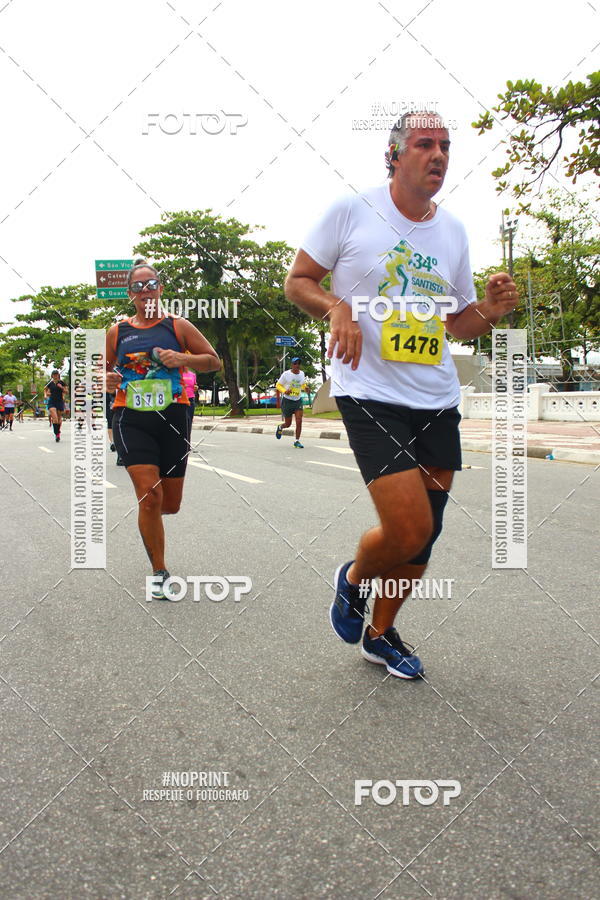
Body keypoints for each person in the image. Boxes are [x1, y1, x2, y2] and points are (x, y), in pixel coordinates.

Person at [285, 110, 519, 679]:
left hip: (435, 396)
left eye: (445, 146)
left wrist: (487, 311)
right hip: (369, 391)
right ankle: (353, 580)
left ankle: (381, 634)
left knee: (424, 536)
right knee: (409, 526)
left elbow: (456, 322)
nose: (437, 155)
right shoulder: (352, 212)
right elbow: (298, 282)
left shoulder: (454, 231)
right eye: (424, 145)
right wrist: (337, 307)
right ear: (393, 155)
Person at [106, 261, 220, 599]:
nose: (145, 292)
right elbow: (99, 373)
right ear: (130, 295)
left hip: (173, 416)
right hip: (130, 416)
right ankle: (159, 570)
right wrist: (106, 379)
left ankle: (151, 518)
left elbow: (213, 361)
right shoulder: (118, 332)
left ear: (160, 289)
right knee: (150, 495)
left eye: (151, 284)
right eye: (138, 287)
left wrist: (183, 359)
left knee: (170, 504)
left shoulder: (178, 326)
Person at [275, 357, 308, 448]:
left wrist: (305, 388)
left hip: (297, 400)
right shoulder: (286, 374)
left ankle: (296, 441)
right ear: (292, 365)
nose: (297, 365)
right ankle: (280, 427)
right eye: (295, 363)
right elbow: (278, 385)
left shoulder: (302, 374)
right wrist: (285, 391)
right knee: (288, 424)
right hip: (287, 401)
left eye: (298, 363)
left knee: (299, 420)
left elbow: (302, 384)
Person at [44, 370, 67, 442]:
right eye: (54, 374)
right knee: (55, 418)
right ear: (52, 376)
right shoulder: (50, 383)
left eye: (56, 374)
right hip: (52, 401)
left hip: (59, 401)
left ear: (58, 375)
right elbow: (45, 389)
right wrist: (45, 395)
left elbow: (67, 392)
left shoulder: (62, 383)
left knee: (59, 418)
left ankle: (58, 434)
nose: (55, 376)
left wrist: (62, 388)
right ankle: (56, 433)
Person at [181, 364, 197, 439]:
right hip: (181, 400)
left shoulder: (193, 375)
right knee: (182, 422)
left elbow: (195, 385)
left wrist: (196, 387)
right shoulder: (179, 374)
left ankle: (188, 443)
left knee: (189, 422)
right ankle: (182, 441)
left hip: (191, 399)